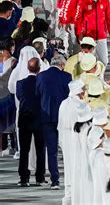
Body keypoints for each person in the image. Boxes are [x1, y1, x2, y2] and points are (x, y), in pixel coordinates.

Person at [35, 54, 71, 189]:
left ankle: (55, 180)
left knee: (52, 150)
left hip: (46, 117)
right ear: (62, 64)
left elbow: (37, 94)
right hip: (63, 118)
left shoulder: (41, 76)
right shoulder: (67, 77)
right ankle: (70, 178)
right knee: (67, 149)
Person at [15, 57, 46, 187]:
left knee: (24, 150)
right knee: (40, 150)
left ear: (28, 68)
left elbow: (19, 96)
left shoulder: (20, 83)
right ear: (39, 68)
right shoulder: (43, 82)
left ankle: (23, 178)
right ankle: (40, 177)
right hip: (39, 119)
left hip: (24, 119)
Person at [75, 0, 110, 67]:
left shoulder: (105, 1)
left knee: (104, 61)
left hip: (101, 35)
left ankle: (100, 79)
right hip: (88, 36)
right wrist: (79, 33)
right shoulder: (83, 1)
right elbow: (78, 19)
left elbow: (109, 19)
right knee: (88, 62)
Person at [57, 79, 85, 203]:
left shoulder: (64, 103)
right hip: (77, 141)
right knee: (78, 169)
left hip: (65, 140)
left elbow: (59, 125)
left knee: (68, 169)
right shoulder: (81, 106)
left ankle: (68, 195)